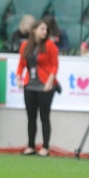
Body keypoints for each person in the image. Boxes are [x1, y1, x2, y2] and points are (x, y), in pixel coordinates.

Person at [16, 20, 60, 157]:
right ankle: (31, 146)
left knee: (44, 117)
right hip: (30, 85)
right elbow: (21, 64)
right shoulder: (25, 45)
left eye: (46, 29)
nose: (44, 32)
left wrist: (50, 82)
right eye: (41, 29)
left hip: (45, 85)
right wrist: (18, 77)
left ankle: (45, 147)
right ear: (34, 30)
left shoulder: (50, 45)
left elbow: (54, 65)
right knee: (31, 117)